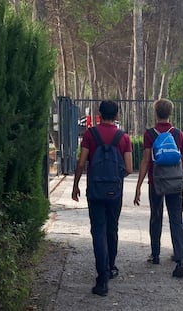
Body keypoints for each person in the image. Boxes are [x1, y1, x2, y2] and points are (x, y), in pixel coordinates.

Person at [72, 100, 133, 296]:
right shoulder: (123, 137)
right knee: (112, 228)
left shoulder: (90, 134)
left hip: (95, 190)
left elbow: (81, 163)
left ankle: (102, 277)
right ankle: (111, 266)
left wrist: (75, 186)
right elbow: (130, 168)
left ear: (99, 114)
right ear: (116, 116)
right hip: (114, 191)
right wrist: (114, 178)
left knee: (98, 231)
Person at [134, 98, 183, 278]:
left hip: (156, 182)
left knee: (155, 217)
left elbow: (146, 160)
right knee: (176, 220)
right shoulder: (178, 133)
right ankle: (180, 259)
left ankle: (155, 254)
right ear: (170, 113)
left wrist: (139, 185)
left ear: (155, 113)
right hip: (175, 183)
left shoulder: (150, 134)